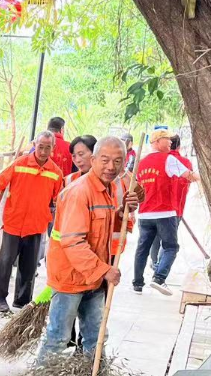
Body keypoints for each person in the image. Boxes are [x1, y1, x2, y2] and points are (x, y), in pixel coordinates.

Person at [36, 136, 141, 363]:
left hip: (93, 279)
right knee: (58, 338)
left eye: (117, 161)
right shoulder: (79, 192)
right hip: (70, 277)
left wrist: (122, 212)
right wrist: (104, 270)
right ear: (93, 160)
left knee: (96, 337)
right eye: (105, 160)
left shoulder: (109, 189)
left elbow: (100, 227)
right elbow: (73, 241)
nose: (111, 167)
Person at [0, 131, 63, 313]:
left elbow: (59, 199)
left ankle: (21, 302)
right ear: (34, 144)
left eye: (47, 148)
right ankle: (1, 297)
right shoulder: (19, 164)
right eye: (40, 146)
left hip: (36, 225)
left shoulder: (56, 173)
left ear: (53, 148)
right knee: (5, 262)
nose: (43, 151)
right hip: (14, 222)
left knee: (28, 268)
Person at [132, 128, 200, 295]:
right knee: (170, 247)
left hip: (145, 213)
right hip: (165, 212)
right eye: (166, 139)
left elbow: (136, 186)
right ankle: (159, 278)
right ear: (156, 142)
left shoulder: (141, 162)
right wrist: (204, 177)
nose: (170, 142)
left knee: (143, 248)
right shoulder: (168, 159)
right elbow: (189, 176)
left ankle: (137, 284)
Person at [148, 133, 193, 266]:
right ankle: (159, 267)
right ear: (178, 146)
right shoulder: (186, 162)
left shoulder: (155, 161)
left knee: (155, 237)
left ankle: (154, 262)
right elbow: (188, 182)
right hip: (176, 209)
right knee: (168, 242)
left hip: (154, 207)